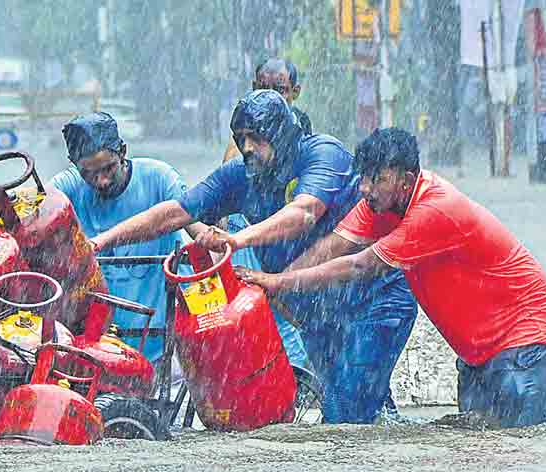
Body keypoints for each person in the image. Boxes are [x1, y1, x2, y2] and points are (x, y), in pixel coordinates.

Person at [89, 90, 418, 424]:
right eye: (240, 138)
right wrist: (101, 242)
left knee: (345, 411)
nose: (247, 148)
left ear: (282, 135)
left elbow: (304, 212)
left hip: (375, 299)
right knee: (357, 407)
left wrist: (236, 239)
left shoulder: (322, 155)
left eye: (256, 138)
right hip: (314, 311)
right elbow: (176, 212)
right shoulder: (241, 175)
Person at [235, 128, 546, 428]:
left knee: (520, 444)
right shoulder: (380, 205)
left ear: (406, 180)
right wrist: (277, 282)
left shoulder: (433, 210)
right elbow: (335, 246)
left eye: (377, 179)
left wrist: (279, 283)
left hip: (528, 339)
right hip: (479, 352)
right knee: (476, 441)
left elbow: (360, 265)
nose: (365, 188)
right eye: (363, 177)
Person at [51, 112, 208, 368]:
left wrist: (213, 239)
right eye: (88, 173)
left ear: (123, 151)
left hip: (162, 344)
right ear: (73, 164)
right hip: (95, 350)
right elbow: (38, 210)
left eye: (108, 168)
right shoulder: (67, 187)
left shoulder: (159, 178)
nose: (100, 180)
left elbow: (194, 225)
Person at [221, 58, 315, 372]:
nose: (272, 96)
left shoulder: (305, 135)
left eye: (280, 90)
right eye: (264, 89)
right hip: (253, 238)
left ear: (295, 93)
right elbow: (223, 205)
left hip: (292, 237)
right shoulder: (241, 147)